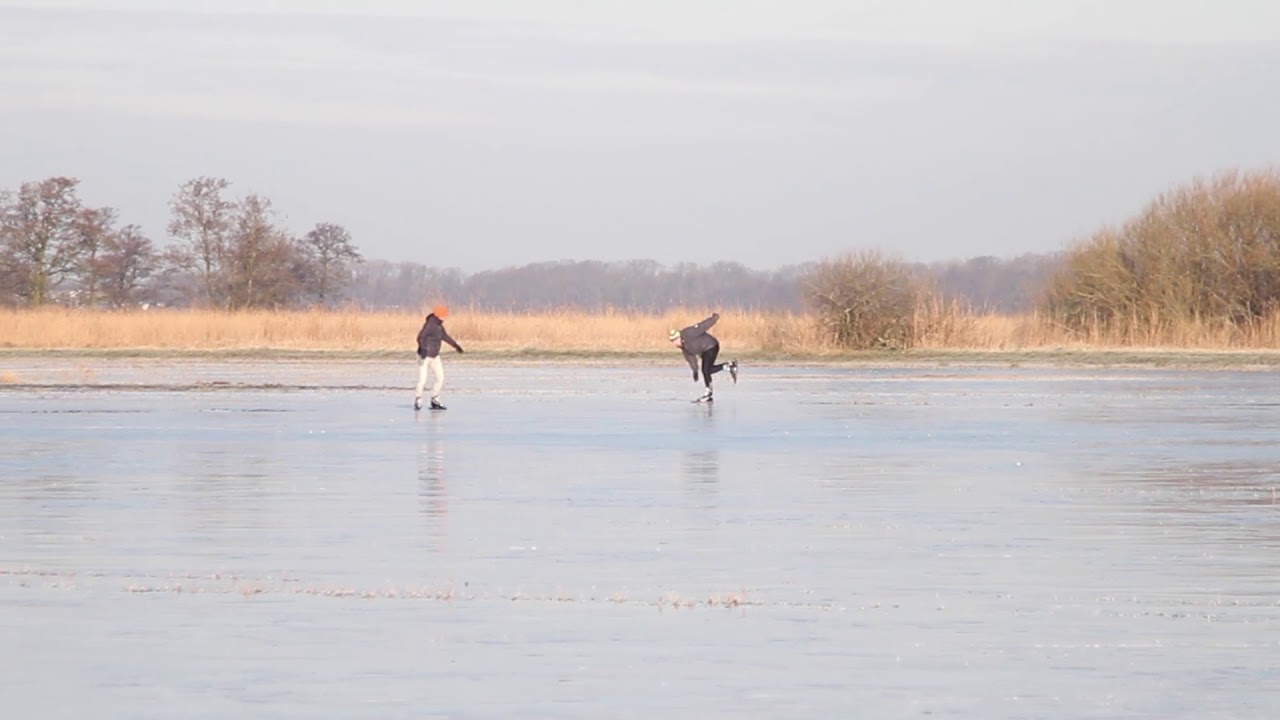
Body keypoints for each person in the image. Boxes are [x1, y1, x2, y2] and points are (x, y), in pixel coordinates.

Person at [669, 312, 738, 402]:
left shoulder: (688, 332)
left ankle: (708, 393)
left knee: (705, 370)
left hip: (711, 346)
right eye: (672, 341)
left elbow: (702, 326)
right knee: (708, 370)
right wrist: (695, 371)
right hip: (704, 351)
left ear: (678, 337)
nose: (674, 344)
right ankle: (729, 366)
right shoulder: (684, 347)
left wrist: (714, 319)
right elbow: (691, 359)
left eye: (674, 341)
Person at [414, 304, 464, 410]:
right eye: (444, 315)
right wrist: (423, 349)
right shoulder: (430, 325)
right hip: (424, 356)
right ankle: (418, 399)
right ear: (439, 315)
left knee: (440, 378)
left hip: (435, 356)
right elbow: (420, 337)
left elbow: (445, 337)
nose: (445, 317)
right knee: (423, 379)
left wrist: (456, 346)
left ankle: (435, 400)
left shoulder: (439, 326)